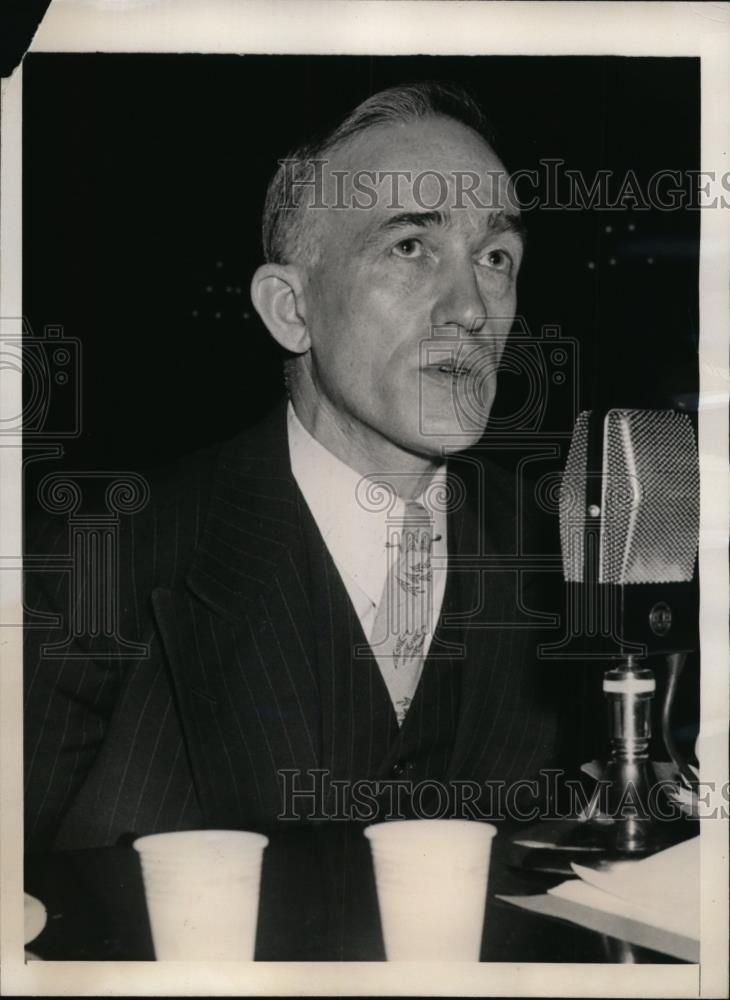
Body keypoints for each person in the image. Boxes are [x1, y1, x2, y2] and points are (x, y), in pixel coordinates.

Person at [24, 81, 562, 852]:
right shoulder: (90, 566)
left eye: (496, 256)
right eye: (411, 246)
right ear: (291, 308)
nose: (471, 308)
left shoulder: (573, 554)